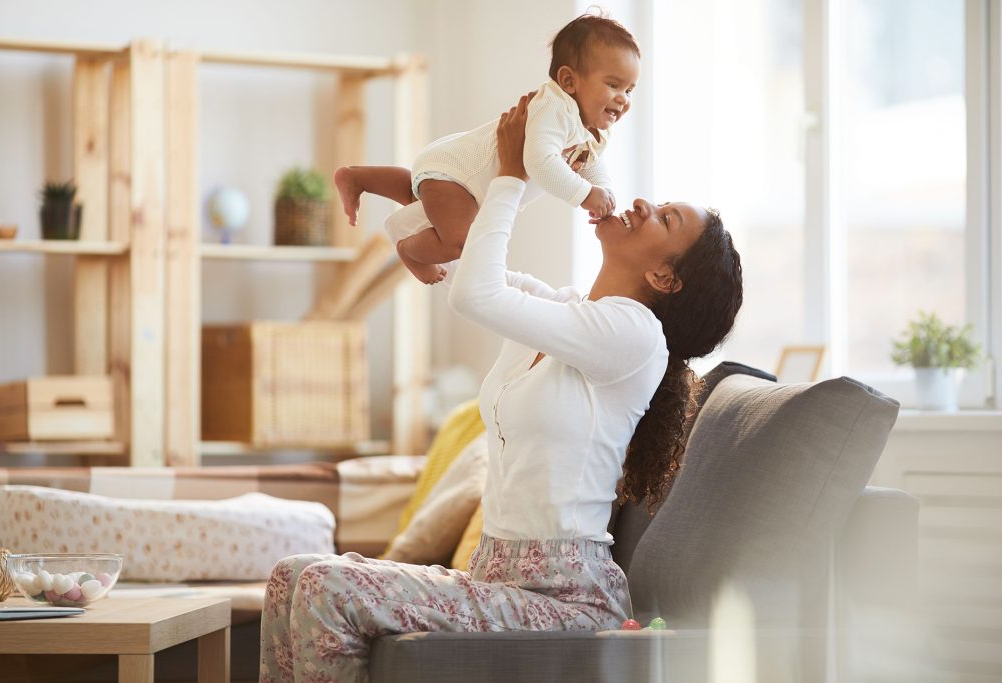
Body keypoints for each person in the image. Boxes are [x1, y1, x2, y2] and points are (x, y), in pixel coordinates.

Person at [259, 93, 743, 683]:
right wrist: (514, 168)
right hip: (496, 578)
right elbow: (467, 259)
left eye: (665, 218)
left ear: (665, 277)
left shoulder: (634, 337)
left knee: (325, 587)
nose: (642, 204)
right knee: (290, 574)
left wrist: (513, 174)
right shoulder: (567, 310)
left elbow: (475, 294)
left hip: (568, 603)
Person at [334, 11, 640, 284]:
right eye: (613, 85)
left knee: (418, 196)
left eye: (629, 89)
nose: (623, 99)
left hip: (466, 183)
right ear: (569, 81)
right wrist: (585, 195)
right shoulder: (554, 109)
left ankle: (358, 178)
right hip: (459, 172)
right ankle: (410, 251)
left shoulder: (591, 130)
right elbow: (539, 161)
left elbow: (589, 162)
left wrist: (604, 189)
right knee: (460, 241)